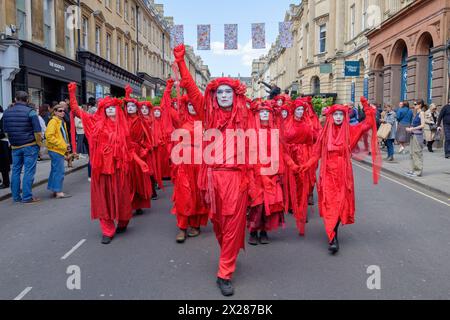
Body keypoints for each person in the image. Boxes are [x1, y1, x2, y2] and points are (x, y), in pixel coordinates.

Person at [175, 44, 250, 296]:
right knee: (219, 225)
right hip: (212, 178)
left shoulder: (245, 116)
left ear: (235, 95)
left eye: (228, 91)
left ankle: (224, 272)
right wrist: (181, 62)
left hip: (237, 179)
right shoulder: (207, 114)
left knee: (233, 224)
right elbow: (192, 89)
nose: (224, 95)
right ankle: (227, 255)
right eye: (220, 92)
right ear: (215, 96)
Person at [300, 97, 380, 254]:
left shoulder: (351, 131)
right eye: (335, 114)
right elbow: (316, 154)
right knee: (331, 204)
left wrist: (366, 108)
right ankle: (332, 237)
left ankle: (334, 233)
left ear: (345, 116)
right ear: (330, 116)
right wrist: (304, 166)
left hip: (343, 173)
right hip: (328, 174)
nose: (338, 117)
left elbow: (368, 124)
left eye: (340, 114)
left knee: (340, 203)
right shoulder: (325, 133)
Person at [68, 82, 132, 244]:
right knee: (103, 199)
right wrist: (72, 94)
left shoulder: (123, 124)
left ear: (117, 110)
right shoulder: (94, 123)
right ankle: (107, 229)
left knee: (121, 195)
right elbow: (77, 112)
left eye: (113, 107)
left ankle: (123, 220)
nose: (110, 109)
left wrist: (127, 96)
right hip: (101, 169)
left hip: (118, 168)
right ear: (102, 109)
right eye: (107, 107)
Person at [169, 92, 209, 243]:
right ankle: (182, 227)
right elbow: (167, 110)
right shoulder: (181, 120)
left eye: (194, 104)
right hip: (184, 162)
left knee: (197, 194)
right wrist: (168, 91)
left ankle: (195, 224)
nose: (192, 107)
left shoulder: (206, 122)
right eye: (190, 105)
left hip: (200, 162)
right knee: (183, 194)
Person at [247, 100, 285, 245]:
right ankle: (252, 230)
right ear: (256, 114)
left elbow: (279, 152)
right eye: (261, 111)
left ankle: (263, 230)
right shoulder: (250, 131)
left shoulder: (274, 130)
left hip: (271, 171)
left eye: (267, 112)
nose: (264, 114)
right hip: (255, 172)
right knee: (256, 203)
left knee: (269, 202)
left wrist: (278, 171)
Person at [2, 91, 42, 203]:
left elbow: (6, 131)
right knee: (29, 171)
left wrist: (12, 141)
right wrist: (38, 144)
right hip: (29, 145)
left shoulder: (7, 112)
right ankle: (27, 197)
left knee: (15, 171)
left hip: (15, 146)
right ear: (27, 100)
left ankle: (15, 197)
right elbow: (38, 131)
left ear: (15, 99)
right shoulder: (31, 112)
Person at [123, 85, 152, 216]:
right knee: (127, 180)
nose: (130, 108)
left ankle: (138, 204)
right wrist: (127, 94)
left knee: (138, 180)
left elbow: (148, 138)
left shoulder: (141, 121)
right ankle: (128, 203)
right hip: (126, 153)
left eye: (132, 106)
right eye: (128, 106)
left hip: (138, 153)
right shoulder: (122, 120)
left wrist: (145, 149)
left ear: (136, 108)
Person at [45, 105, 71, 199]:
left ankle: (54, 189)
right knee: (59, 171)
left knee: (55, 170)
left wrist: (66, 145)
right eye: (60, 111)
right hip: (55, 149)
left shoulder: (60, 121)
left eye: (64, 111)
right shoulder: (53, 122)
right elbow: (49, 136)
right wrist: (63, 145)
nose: (63, 112)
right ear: (55, 112)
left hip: (58, 149)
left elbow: (62, 135)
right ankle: (58, 191)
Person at [406, 100, 426, 177]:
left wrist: (412, 129)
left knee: (417, 153)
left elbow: (422, 125)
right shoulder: (416, 114)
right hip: (413, 135)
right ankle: (413, 170)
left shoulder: (421, 113)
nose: (414, 106)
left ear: (420, 105)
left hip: (418, 136)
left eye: (415, 104)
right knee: (412, 153)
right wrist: (411, 128)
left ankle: (418, 171)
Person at [0, 105, 12, 189]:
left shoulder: (3, 117)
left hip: (3, 143)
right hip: (3, 142)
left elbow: (5, 132)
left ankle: (6, 182)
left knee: (4, 164)